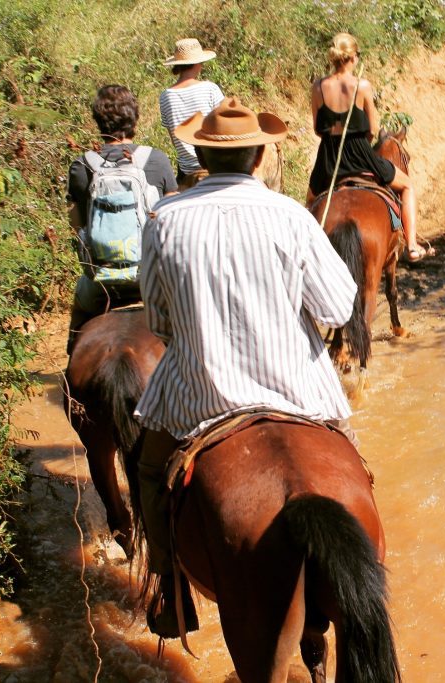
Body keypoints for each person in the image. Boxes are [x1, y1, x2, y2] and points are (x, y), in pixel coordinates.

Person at [133, 97, 359, 638]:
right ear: (259, 157)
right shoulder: (292, 216)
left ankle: (170, 589)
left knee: (147, 470)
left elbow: (160, 322)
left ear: (202, 156)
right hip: (300, 394)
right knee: (351, 467)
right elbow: (336, 309)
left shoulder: (164, 220)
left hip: (199, 399)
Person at [66, 85, 176, 353]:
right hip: (153, 279)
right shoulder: (157, 160)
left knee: (78, 318)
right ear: (134, 118)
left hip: (100, 281)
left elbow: (76, 224)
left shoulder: (82, 166)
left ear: (98, 122)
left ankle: (71, 363)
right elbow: (174, 219)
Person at [307, 32, 434, 262]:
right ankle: (413, 245)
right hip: (360, 153)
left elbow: (318, 128)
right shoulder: (362, 86)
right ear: (353, 57)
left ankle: (304, 252)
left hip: (328, 159)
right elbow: (373, 129)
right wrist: (360, 143)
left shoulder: (317, 87)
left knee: (309, 203)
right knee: (406, 186)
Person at [159, 38, 225, 189]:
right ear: (197, 63)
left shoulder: (165, 95)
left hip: (186, 171)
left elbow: (173, 136)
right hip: (213, 166)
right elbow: (223, 125)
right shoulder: (209, 88)